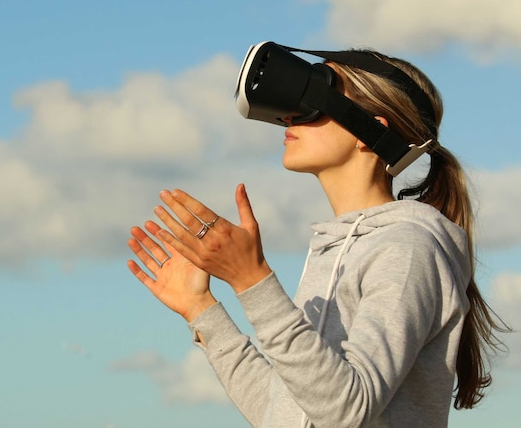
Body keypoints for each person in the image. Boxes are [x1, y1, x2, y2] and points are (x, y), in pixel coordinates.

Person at [126, 46, 507, 427]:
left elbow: (347, 411)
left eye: (315, 96)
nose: (289, 113)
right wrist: (201, 309)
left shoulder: (407, 248)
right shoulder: (334, 250)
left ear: (370, 131)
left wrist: (251, 280)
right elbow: (284, 414)